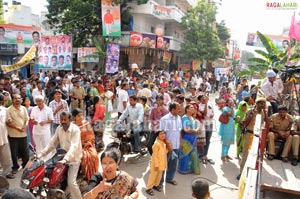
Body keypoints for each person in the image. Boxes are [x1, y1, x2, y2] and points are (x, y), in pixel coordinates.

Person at [39, 111, 83, 199]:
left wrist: (65, 159)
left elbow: (74, 146)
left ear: (70, 119)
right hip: (61, 158)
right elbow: (52, 143)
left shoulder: (75, 129)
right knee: (47, 175)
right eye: (61, 120)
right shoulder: (59, 129)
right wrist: (41, 154)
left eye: (65, 120)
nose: (63, 121)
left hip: (73, 160)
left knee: (71, 182)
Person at [236, 97, 268, 180]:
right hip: (249, 135)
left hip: (257, 136)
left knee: (255, 155)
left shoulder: (263, 112)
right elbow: (244, 124)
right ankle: (241, 172)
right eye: (261, 103)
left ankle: (252, 171)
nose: (263, 105)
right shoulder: (250, 111)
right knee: (245, 154)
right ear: (256, 104)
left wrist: (265, 111)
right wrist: (250, 115)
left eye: (264, 103)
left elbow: (267, 121)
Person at [72, 108, 99, 181]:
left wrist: (88, 143)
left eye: (81, 115)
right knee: (84, 157)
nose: (80, 117)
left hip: (88, 145)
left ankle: (93, 177)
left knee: (93, 155)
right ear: (74, 117)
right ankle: (86, 176)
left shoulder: (86, 123)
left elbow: (91, 136)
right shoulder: (72, 126)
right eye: (78, 116)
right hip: (76, 147)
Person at [159, 102, 182, 186]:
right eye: (178, 108)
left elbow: (179, 131)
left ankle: (169, 179)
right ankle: (160, 182)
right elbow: (162, 134)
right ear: (172, 110)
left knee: (173, 164)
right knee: (163, 165)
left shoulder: (179, 118)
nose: (180, 110)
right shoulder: (164, 119)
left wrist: (180, 143)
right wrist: (169, 145)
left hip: (176, 145)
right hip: (167, 146)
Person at [6, 94, 29, 174]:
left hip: (23, 135)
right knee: (14, 153)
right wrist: (17, 127)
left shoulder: (23, 108)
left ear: (21, 100)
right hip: (13, 135)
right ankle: (15, 167)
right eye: (15, 98)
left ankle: (24, 165)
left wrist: (25, 126)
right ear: (12, 100)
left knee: (25, 154)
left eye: (19, 98)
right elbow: (8, 123)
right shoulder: (8, 110)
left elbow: (27, 119)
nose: (17, 100)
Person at [145, 130, 172, 196]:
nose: (163, 135)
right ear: (157, 136)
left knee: (159, 175)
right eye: (161, 134)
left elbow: (167, 152)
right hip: (156, 164)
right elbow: (155, 156)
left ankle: (156, 185)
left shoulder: (163, 143)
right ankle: (148, 188)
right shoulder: (156, 144)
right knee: (153, 176)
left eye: (164, 134)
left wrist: (168, 143)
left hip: (162, 164)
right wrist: (156, 165)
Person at [178, 104, 201, 174]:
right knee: (186, 155)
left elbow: (195, 128)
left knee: (193, 154)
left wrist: (197, 130)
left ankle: (191, 168)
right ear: (187, 109)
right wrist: (195, 130)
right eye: (191, 108)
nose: (193, 109)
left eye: (193, 108)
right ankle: (183, 169)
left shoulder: (192, 118)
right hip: (187, 138)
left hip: (193, 138)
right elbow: (186, 129)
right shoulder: (185, 118)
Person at [30, 95, 54, 160]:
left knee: (46, 146)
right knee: (38, 147)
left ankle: (48, 161)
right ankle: (40, 160)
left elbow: (51, 120)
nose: (39, 103)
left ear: (43, 101)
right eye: (37, 101)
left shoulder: (48, 109)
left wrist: (45, 122)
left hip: (45, 131)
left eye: (40, 101)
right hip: (36, 131)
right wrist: (33, 121)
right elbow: (31, 119)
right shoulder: (34, 109)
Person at [0, 94, 15, 179]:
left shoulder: (5, 110)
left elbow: (8, 120)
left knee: (6, 157)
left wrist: (9, 120)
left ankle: (7, 172)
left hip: (3, 137)